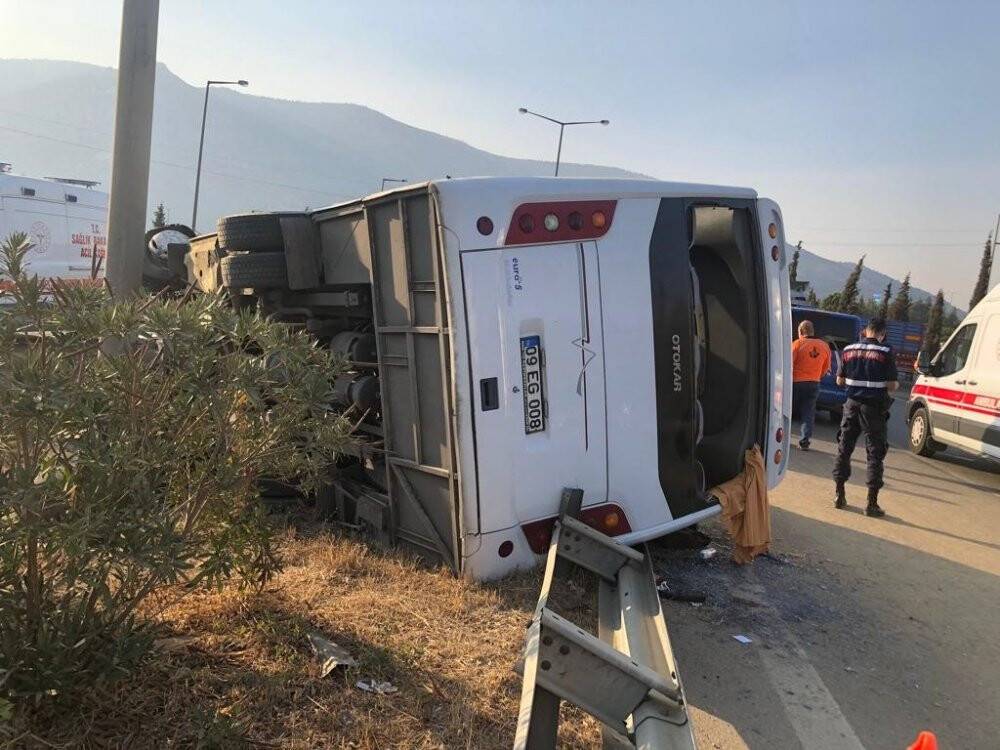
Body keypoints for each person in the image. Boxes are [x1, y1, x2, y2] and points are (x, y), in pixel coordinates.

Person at [832, 317, 899, 517]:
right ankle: (871, 503)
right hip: (874, 409)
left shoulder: (848, 350)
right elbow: (892, 385)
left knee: (844, 449)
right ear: (882, 334)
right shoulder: (885, 351)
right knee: (875, 454)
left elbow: (839, 381)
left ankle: (839, 495)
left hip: (851, 406)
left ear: (865, 331)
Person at [791, 319, 831, 450]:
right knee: (808, 412)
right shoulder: (824, 346)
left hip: (796, 382)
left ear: (801, 331)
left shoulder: (797, 344)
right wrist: (816, 376)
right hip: (814, 383)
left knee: (787, 411)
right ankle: (804, 441)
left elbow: (789, 364)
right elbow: (826, 368)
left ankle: (784, 438)